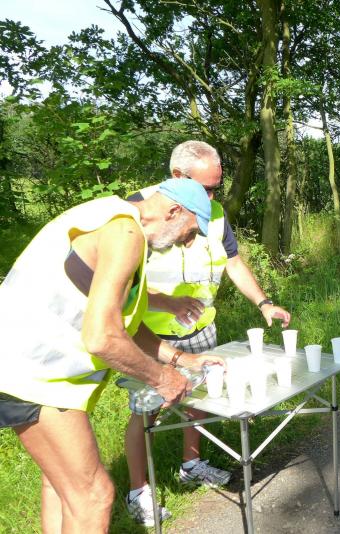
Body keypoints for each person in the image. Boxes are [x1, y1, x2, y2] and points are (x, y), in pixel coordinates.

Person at [0, 178, 225, 533]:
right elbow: (102, 337)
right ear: (173, 211)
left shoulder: (111, 216)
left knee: (61, 488)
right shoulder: (125, 233)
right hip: (35, 377)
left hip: (25, 369)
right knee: (94, 496)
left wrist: (181, 360)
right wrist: (163, 379)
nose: (187, 240)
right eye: (190, 230)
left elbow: (123, 325)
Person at [123, 140, 292, 526]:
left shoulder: (213, 212)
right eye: (207, 188)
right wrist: (164, 304)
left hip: (200, 327)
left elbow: (233, 263)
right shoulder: (138, 213)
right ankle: (138, 491)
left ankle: (192, 465)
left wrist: (264, 303)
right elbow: (120, 290)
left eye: (218, 187)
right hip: (149, 337)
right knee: (146, 411)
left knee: (200, 397)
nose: (213, 197)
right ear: (177, 177)